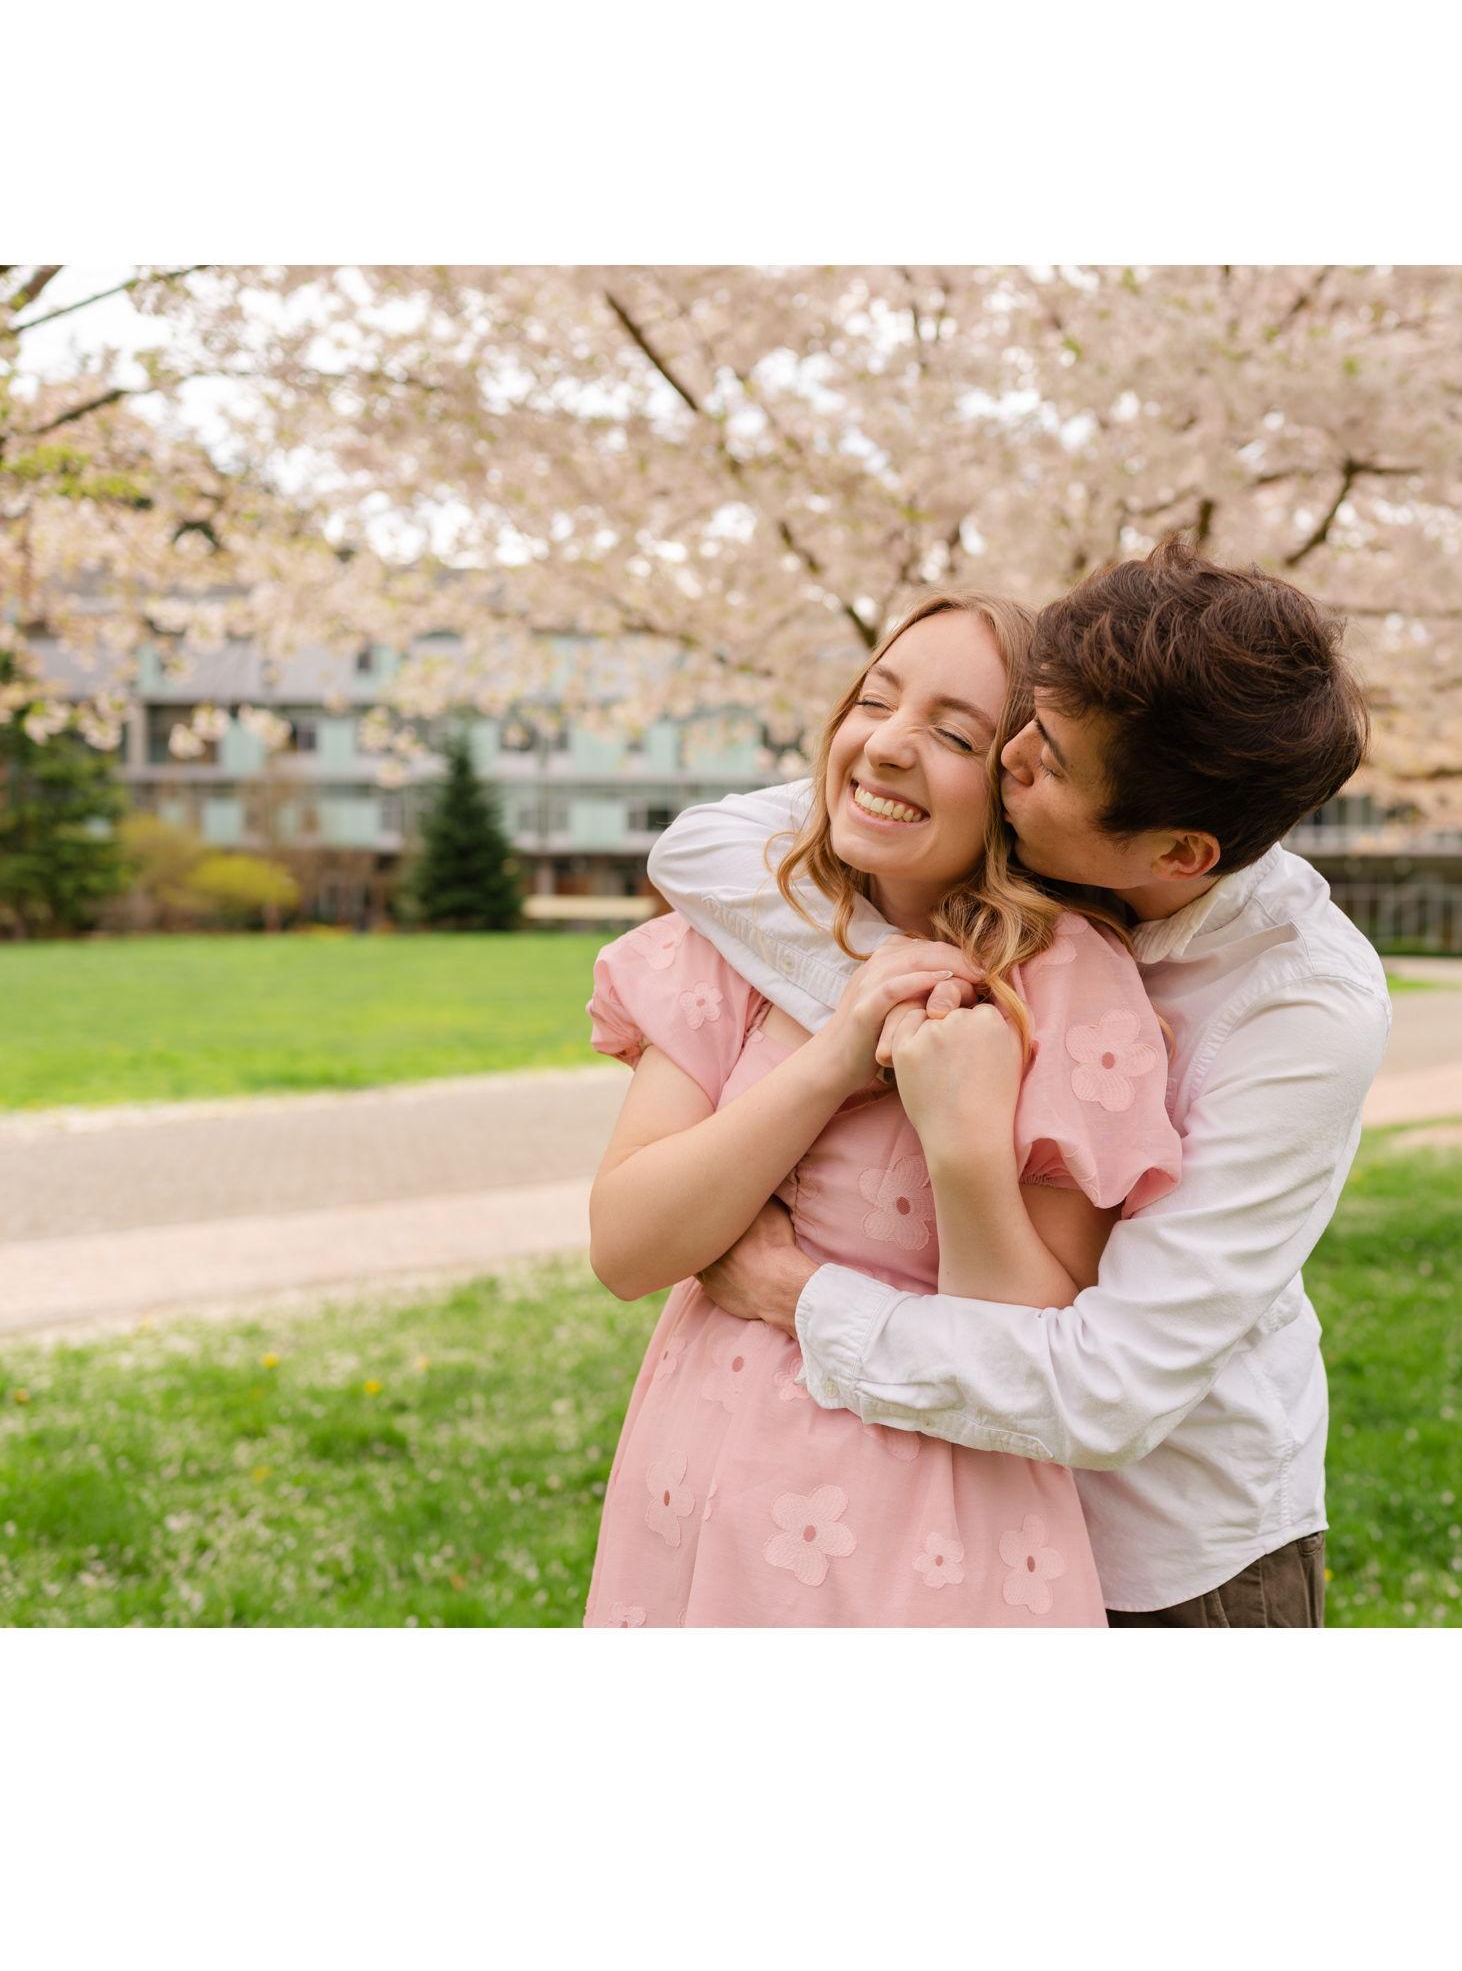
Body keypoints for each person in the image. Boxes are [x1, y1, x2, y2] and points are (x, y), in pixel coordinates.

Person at [649, 536, 1391, 1628]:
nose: (1009, 760)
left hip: (1159, 1559)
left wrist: (796, 1296)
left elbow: (1108, 1391)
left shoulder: (1302, 1010)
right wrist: (916, 999)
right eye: (1024, 724)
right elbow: (703, 845)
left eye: (1048, 763)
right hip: (918, 1522)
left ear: (1178, 855)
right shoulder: (1036, 827)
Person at [581, 590, 1181, 1626]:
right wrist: (832, 1057)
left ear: (1019, 785)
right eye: (874, 700)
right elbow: (627, 1250)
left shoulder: (1068, 991)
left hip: (932, 1537)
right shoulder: (739, 936)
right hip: (693, 1497)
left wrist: (964, 1148)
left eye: (954, 734)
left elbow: (1031, 1358)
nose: (888, 745)